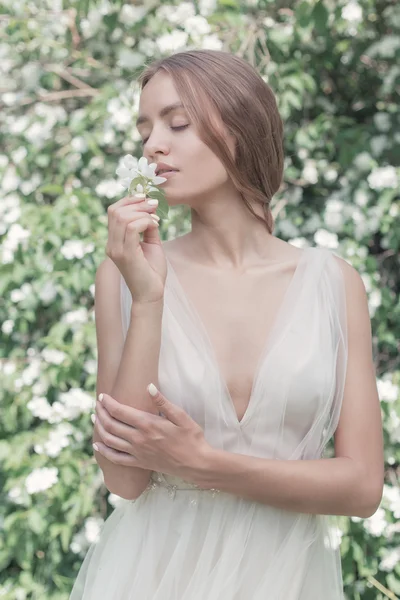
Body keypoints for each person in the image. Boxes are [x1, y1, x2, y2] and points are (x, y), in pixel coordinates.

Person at [69, 49, 384, 600]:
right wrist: (148, 299)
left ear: (238, 128)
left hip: (288, 579)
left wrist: (204, 463)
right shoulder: (124, 277)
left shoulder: (333, 283)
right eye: (144, 130)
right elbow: (123, 478)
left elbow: (361, 487)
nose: (152, 145)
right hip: (152, 574)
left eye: (178, 123)